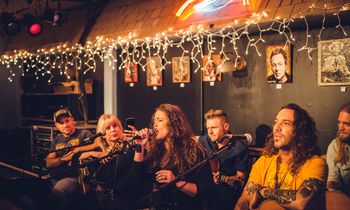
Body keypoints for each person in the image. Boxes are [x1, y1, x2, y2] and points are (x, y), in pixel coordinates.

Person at [235, 103, 327, 210]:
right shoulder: (264, 161)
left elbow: (300, 202)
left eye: (285, 123)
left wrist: (262, 191)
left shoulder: (316, 164)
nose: (277, 128)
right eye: (276, 122)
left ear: (300, 131)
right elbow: (243, 201)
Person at [132, 103, 214, 210]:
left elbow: (206, 190)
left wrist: (176, 181)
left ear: (174, 123)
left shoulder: (195, 151)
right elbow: (137, 180)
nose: (154, 125)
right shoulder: (157, 152)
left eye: (160, 120)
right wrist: (139, 146)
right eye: (154, 121)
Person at [79, 114, 148, 210]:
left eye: (115, 126)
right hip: (103, 197)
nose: (113, 130)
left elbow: (139, 172)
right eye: (107, 128)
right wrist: (92, 153)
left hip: (125, 196)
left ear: (120, 128)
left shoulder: (130, 145)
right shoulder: (99, 150)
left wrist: (137, 144)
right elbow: (76, 158)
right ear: (102, 134)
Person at [199, 109, 249, 210]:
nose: (210, 132)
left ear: (226, 127)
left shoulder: (239, 148)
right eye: (208, 128)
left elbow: (240, 180)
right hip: (206, 187)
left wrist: (223, 178)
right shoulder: (205, 140)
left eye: (214, 128)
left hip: (226, 192)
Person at [46, 108, 93, 204]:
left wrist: (76, 154)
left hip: (74, 177)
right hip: (54, 176)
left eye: (67, 121)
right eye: (61, 123)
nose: (65, 125)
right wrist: (65, 158)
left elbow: (95, 147)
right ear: (56, 125)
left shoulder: (84, 134)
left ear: (72, 120)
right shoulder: (57, 139)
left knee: (57, 192)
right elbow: (48, 163)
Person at [326, 102, 350, 195]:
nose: (341, 128)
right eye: (339, 122)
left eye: (346, 124)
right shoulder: (335, 146)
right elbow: (332, 179)